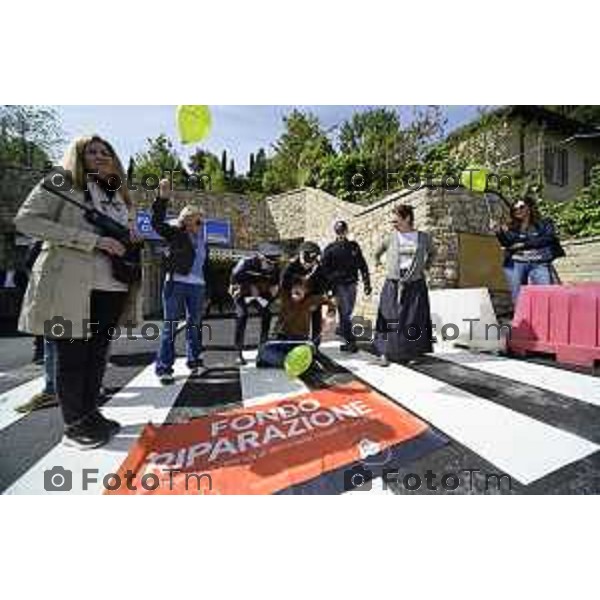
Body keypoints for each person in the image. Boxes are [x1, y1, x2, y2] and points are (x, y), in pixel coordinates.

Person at [14, 135, 142, 449]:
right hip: (68, 285)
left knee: (97, 354)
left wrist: (130, 238)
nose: (100, 156)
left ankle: (89, 414)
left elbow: (122, 236)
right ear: (77, 155)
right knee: (71, 356)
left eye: (106, 151)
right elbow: (26, 220)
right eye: (91, 151)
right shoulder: (60, 180)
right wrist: (91, 240)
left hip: (111, 286)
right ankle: (74, 425)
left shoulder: (117, 192)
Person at [152, 178, 209, 385]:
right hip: (176, 284)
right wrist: (162, 198)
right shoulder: (175, 233)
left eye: (201, 220)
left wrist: (207, 290)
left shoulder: (203, 241)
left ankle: (195, 363)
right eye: (198, 220)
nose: (201, 224)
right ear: (186, 220)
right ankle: (164, 368)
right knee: (170, 326)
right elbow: (157, 223)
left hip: (198, 287)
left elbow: (204, 267)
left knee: (195, 325)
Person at [373, 204, 436, 367]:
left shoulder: (423, 237)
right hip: (393, 282)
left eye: (396, 218)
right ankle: (384, 353)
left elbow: (432, 252)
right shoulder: (390, 237)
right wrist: (382, 266)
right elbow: (377, 253)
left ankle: (412, 352)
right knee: (388, 317)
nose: (393, 222)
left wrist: (426, 267)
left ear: (407, 218)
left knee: (414, 318)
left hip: (415, 283)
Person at [492, 196, 563, 302]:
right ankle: (522, 318)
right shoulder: (511, 227)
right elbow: (507, 243)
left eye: (521, 207)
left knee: (546, 294)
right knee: (518, 297)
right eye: (515, 209)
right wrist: (498, 232)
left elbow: (548, 238)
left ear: (529, 207)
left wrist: (523, 244)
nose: (518, 210)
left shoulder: (544, 223)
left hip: (539, 262)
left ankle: (543, 317)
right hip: (516, 263)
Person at [258, 274, 336, 369]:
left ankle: (295, 362)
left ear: (306, 291)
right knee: (265, 353)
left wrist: (329, 316)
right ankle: (290, 361)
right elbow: (266, 288)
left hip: (300, 339)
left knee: (308, 353)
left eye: (301, 289)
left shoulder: (311, 300)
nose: (296, 291)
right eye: (295, 288)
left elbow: (330, 302)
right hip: (282, 338)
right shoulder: (284, 296)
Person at [322, 220, 371, 353]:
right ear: (336, 232)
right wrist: (328, 290)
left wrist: (367, 282)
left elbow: (362, 264)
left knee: (347, 312)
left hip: (352, 284)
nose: (341, 233)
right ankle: (351, 342)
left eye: (343, 230)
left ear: (346, 230)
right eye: (339, 230)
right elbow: (324, 271)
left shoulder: (353, 246)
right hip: (339, 286)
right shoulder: (330, 249)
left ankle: (345, 333)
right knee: (345, 313)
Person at [231, 243, 282, 366]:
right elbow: (234, 280)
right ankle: (238, 352)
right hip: (244, 292)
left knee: (267, 315)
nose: (271, 265)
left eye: (274, 263)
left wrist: (272, 295)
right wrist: (248, 287)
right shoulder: (245, 263)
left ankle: (262, 350)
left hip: (262, 294)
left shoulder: (275, 268)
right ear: (260, 257)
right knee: (241, 316)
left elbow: (274, 285)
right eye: (269, 262)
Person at [280, 242, 329, 348]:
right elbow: (284, 283)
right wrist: (295, 290)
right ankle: (290, 340)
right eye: (305, 263)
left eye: (310, 263)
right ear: (300, 255)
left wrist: (316, 301)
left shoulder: (318, 268)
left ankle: (315, 345)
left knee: (317, 317)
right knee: (293, 319)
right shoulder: (291, 266)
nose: (307, 266)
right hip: (294, 297)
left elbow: (323, 285)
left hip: (312, 296)